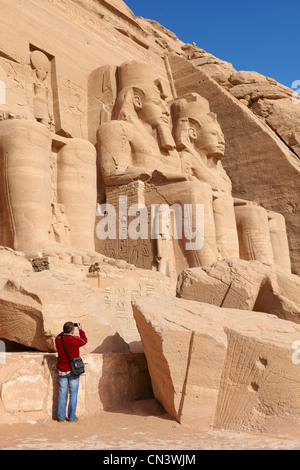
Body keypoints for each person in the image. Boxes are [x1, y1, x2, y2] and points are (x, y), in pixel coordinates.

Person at [55, 321, 87, 423]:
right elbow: (85, 340)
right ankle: (72, 417)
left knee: (62, 394)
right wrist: (80, 329)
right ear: (72, 331)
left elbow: (59, 335)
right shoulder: (75, 340)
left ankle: (61, 417)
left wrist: (67, 329)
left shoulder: (58, 340)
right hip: (73, 371)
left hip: (62, 370)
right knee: (73, 394)